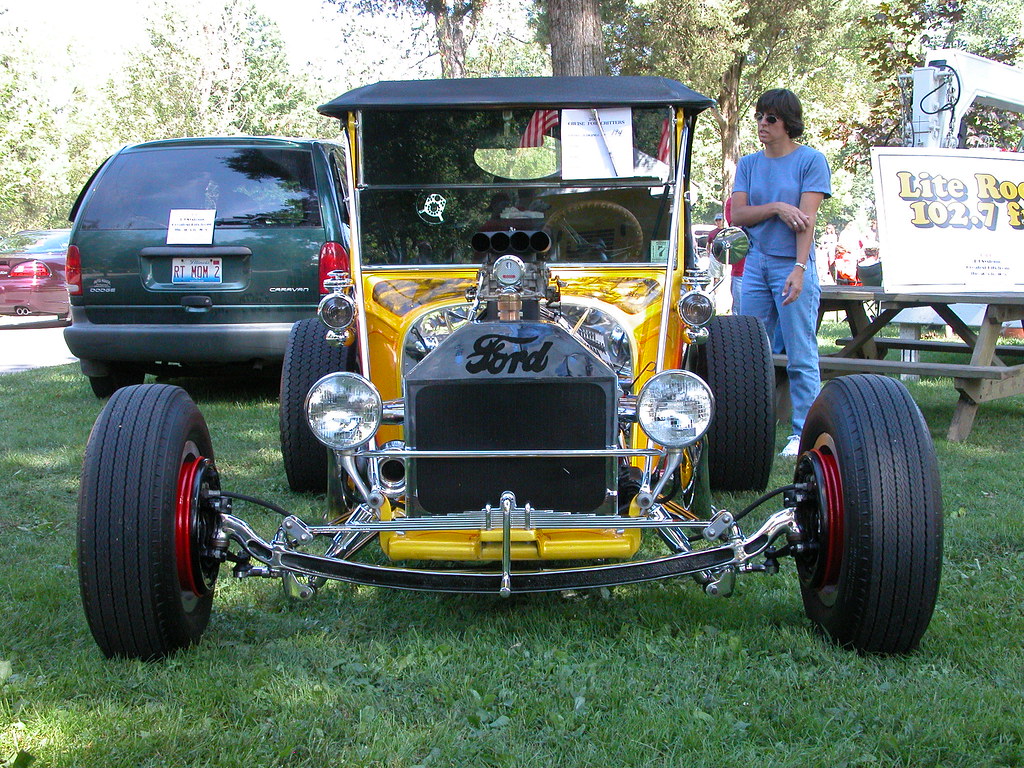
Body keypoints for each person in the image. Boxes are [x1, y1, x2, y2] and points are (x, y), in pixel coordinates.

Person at [731, 89, 832, 458]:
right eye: (759, 117)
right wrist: (774, 207)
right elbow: (737, 216)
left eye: (770, 118)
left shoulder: (811, 161)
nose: (762, 124)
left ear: (788, 123)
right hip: (756, 263)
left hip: (793, 262)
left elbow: (806, 220)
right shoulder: (749, 164)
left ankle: (803, 434)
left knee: (800, 352)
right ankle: (747, 430)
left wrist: (800, 269)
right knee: (747, 353)